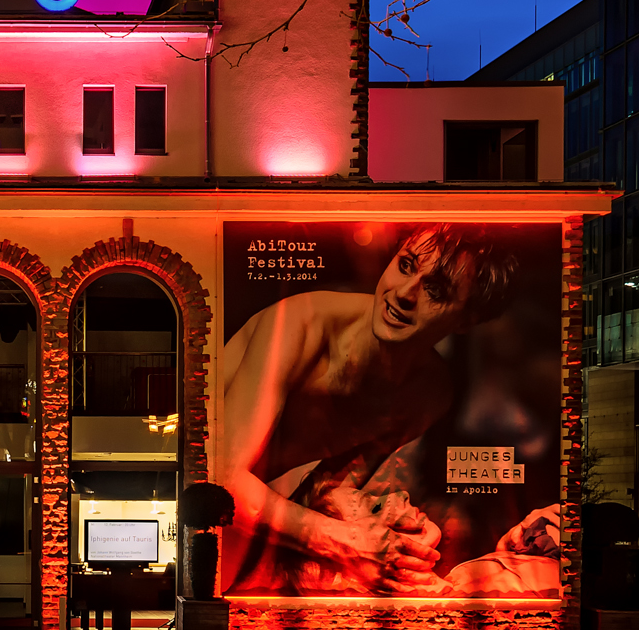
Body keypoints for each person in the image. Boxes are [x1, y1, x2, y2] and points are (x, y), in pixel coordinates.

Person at [217, 225, 520, 596]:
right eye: (406, 265)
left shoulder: (430, 394)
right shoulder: (301, 323)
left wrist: (404, 537)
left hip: (251, 524)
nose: (404, 293)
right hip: (193, 503)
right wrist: (347, 541)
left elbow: (324, 494)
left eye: (435, 291)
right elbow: (221, 481)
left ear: (466, 319)